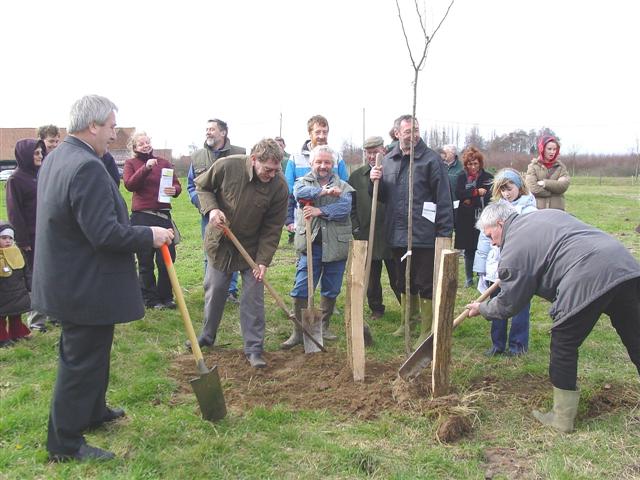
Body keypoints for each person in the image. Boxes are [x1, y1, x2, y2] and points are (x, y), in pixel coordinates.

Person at [32, 95, 174, 462]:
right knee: (79, 361)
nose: (114, 135)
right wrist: (150, 236)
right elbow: (105, 234)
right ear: (93, 125)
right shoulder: (85, 167)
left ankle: (93, 411)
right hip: (83, 283)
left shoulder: (59, 157)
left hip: (69, 278)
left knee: (93, 354)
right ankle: (63, 443)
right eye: (111, 127)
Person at [467, 202, 640, 433]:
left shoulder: (513, 249)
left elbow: (510, 303)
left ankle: (561, 418)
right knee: (635, 334)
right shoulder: (542, 215)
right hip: (623, 264)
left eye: (491, 236)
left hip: (587, 273)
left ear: (500, 223)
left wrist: (483, 308)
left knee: (564, 341)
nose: (493, 243)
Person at [192, 138, 288, 368]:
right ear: (254, 160)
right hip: (221, 243)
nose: (272, 174)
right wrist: (212, 209)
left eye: (276, 170)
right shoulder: (228, 166)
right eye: (268, 169)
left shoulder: (279, 187)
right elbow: (202, 187)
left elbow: (272, 229)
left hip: (252, 250)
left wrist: (263, 261)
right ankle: (207, 335)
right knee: (215, 291)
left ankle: (254, 349)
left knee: (253, 298)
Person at [370, 115, 454, 346]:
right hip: (397, 234)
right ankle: (408, 321)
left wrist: (444, 234)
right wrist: (373, 181)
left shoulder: (430, 160)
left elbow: (443, 198)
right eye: (408, 131)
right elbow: (383, 197)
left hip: (424, 234)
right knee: (402, 280)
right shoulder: (389, 160)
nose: (413, 134)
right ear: (397, 133)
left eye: (416, 130)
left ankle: (426, 330)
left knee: (424, 281)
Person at [282, 146, 354, 349]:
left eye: (327, 162)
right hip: (311, 245)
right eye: (319, 162)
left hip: (335, 246)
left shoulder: (344, 185)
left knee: (331, 290)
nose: (323, 166)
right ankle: (298, 332)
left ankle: (323, 327)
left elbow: (344, 208)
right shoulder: (302, 182)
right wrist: (325, 191)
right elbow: (299, 193)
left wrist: (318, 210)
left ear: (333, 165)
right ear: (312, 164)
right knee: (301, 290)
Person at [473, 169, 537, 356]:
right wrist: (481, 268)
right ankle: (497, 344)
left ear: (519, 186)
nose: (506, 193)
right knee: (496, 304)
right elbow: (484, 241)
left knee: (519, 306)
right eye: (502, 190)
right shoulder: (493, 211)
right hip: (496, 267)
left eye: (510, 188)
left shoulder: (529, 210)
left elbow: (531, 241)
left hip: (519, 269)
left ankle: (518, 346)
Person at [187, 119, 245, 303]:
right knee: (211, 251)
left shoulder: (240, 154)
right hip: (209, 215)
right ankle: (211, 289)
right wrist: (204, 206)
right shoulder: (197, 157)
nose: (208, 133)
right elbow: (191, 186)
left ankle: (230, 291)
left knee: (233, 250)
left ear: (223, 132)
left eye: (212, 129)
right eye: (206, 129)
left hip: (234, 213)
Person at [123, 131, 182, 310]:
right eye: (141, 144)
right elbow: (129, 184)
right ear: (134, 148)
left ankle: (166, 296)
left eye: (147, 142)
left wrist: (175, 190)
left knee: (167, 258)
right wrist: (146, 168)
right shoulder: (131, 164)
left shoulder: (164, 162)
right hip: (142, 216)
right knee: (145, 259)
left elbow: (177, 184)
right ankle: (150, 299)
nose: (145, 146)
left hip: (163, 214)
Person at [348, 136, 400, 322]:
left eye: (375, 152)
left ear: (383, 151)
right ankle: (376, 308)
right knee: (371, 277)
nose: (372, 156)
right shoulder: (356, 177)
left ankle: (408, 308)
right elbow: (351, 206)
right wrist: (356, 228)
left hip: (391, 234)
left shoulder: (395, 172)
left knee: (398, 275)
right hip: (366, 233)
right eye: (369, 153)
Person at [283, 115, 349, 242]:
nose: (322, 136)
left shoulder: (337, 157)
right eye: (317, 132)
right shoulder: (296, 158)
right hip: (304, 218)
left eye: (325, 132)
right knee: (305, 255)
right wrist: (289, 219)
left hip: (329, 219)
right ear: (309, 133)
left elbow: (345, 186)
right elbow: (289, 191)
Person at [454, 146, 493, 288]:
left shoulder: (488, 177)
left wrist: (469, 195)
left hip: (484, 217)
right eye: (470, 164)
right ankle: (469, 278)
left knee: (483, 247)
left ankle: (481, 276)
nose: (473, 167)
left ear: (480, 163)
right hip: (466, 219)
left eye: (475, 163)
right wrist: (475, 192)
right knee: (468, 249)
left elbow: (489, 194)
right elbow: (459, 193)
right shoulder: (461, 176)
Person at [6, 139, 45, 276]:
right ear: (26, 155)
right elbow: (14, 212)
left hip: (45, 231)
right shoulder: (15, 180)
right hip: (31, 236)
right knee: (35, 273)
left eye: (41, 152)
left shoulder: (40, 174)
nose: (40, 156)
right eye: (36, 153)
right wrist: (23, 240)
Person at [0, 222, 32, 347]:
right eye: (3, 238)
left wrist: (30, 285)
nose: (8, 241)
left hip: (17, 291)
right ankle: (2, 338)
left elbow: (26, 270)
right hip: (2, 293)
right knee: (1, 317)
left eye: (10, 238)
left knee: (16, 315)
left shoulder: (17, 252)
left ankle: (18, 333)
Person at [525, 135, 570, 210]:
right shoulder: (533, 166)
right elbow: (533, 188)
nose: (552, 152)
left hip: (557, 212)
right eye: (549, 149)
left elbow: (563, 186)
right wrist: (554, 191)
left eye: (554, 149)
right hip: (538, 211)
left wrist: (544, 183)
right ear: (542, 149)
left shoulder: (561, 167)